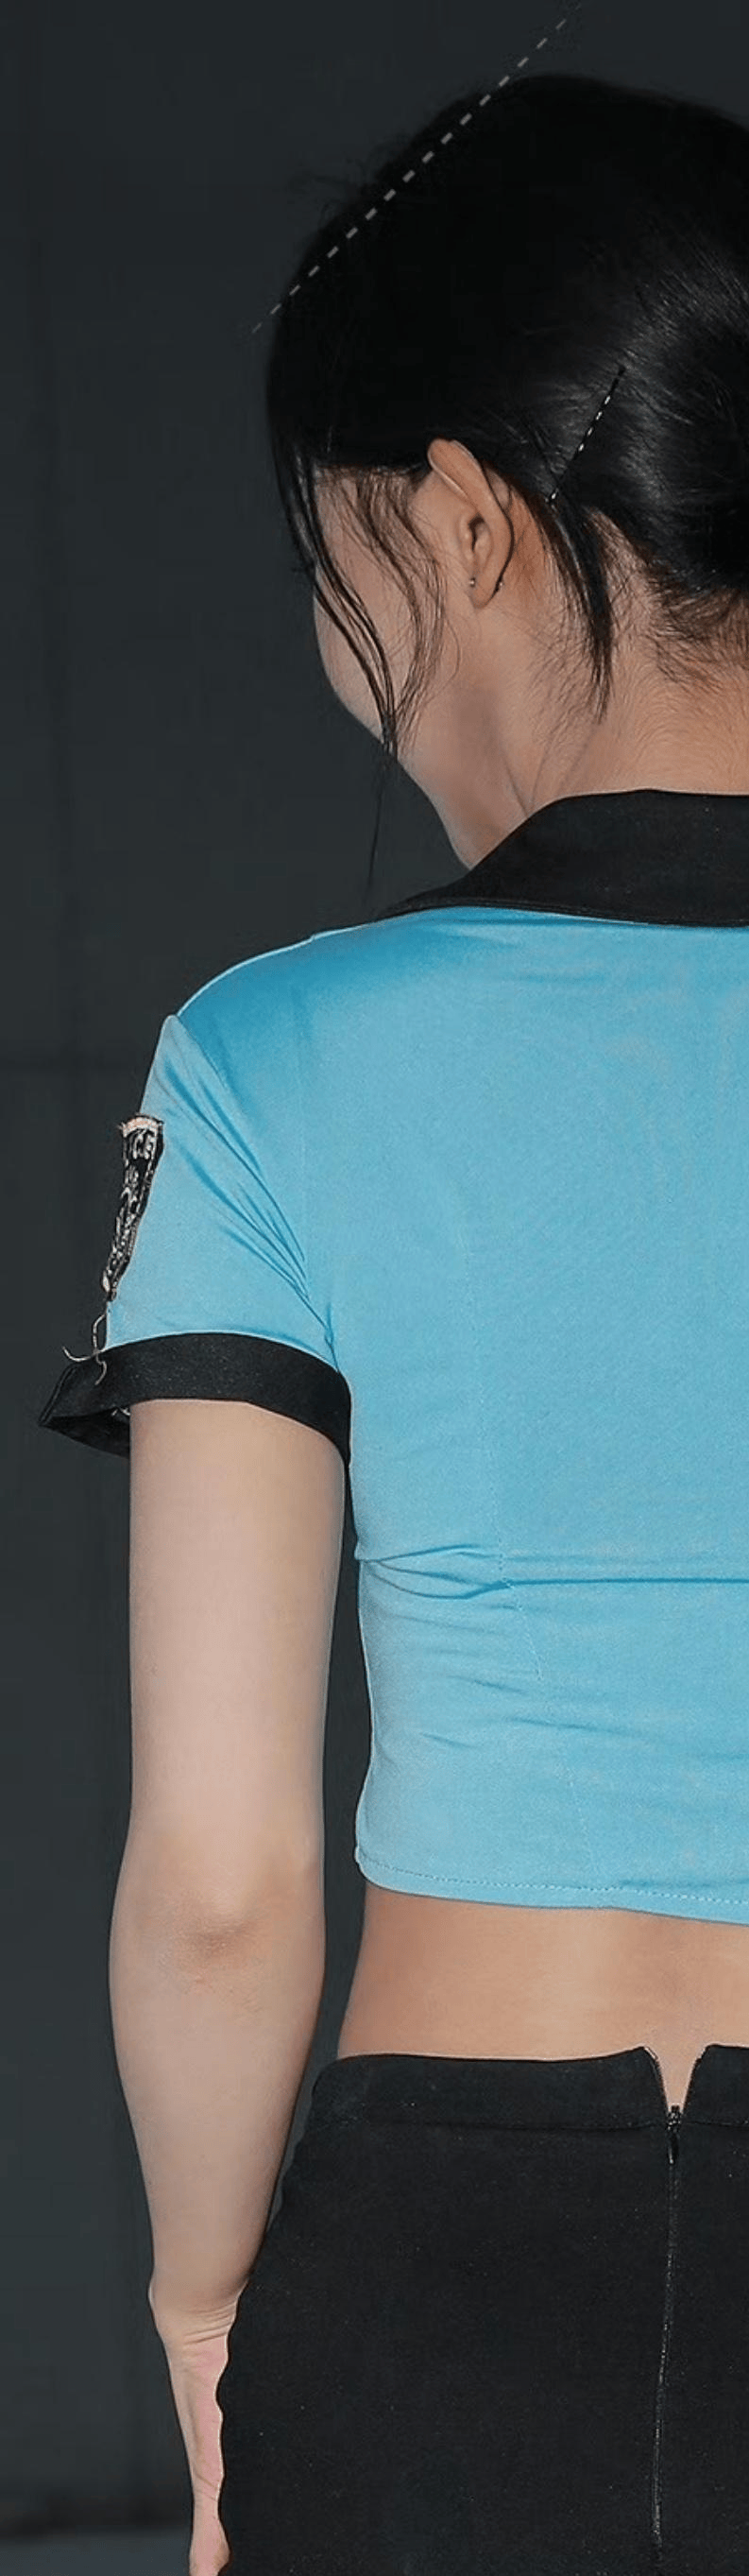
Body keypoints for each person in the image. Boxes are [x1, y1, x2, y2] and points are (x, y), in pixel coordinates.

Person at [39, 61, 749, 2576]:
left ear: (460, 515)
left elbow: (224, 1877)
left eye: (337, 565)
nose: (352, 670)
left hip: (456, 2276)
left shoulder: (278, 1060)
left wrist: (207, 2300)